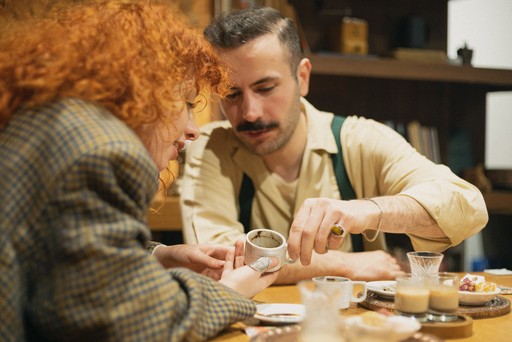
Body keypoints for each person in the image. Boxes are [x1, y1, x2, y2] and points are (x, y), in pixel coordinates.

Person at [0, 1, 280, 341]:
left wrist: (161, 255)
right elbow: (137, 324)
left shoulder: (62, 122)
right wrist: (231, 291)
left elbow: (66, 251)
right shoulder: (105, 151)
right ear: (143, 88)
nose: (193, 129)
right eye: (188, 104)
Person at [180, 7, 489, 284]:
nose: (249, 112)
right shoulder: (210, 149)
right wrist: (344, 263)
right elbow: (219, 261)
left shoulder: (358, 139)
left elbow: (466, 205)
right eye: (231, 94)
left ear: (302, 77)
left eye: (265, 88)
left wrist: (368, 211)